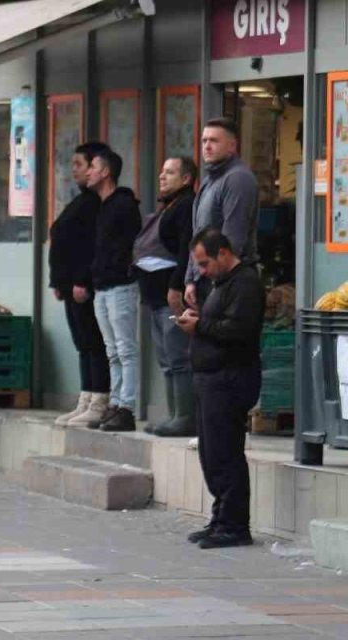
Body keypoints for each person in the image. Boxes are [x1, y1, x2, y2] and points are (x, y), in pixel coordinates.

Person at [175, 228, 264, 549]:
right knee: (211, 453)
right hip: (209, 379)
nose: (202, 271)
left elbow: (237, 329)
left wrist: (200, 325)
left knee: (226, 453)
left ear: (224, 254)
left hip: (229, 379)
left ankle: (235, 525)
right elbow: (218, 324)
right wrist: (198, 320)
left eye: (205, 263)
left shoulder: (245, 283)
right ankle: (221, 518)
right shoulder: (221, 283)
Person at [49, 142, 111, 429]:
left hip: (82, 284)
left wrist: (80, 280)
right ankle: (85, 398)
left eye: (80, 165)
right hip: (68, 284)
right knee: (82, 343)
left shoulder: (95, 204)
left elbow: (90, 247)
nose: (74, 170)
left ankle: (99, 400)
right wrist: (58, 281)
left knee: (93, 341)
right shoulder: (81, 200)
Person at [87, 147, 142, 432]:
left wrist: (121, 268)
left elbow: (131, 244)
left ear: (106, 172)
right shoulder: (102, 206)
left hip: (121, 285)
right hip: (103, 287)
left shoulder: (123, 205)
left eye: (93, 166)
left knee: (125, 348)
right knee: (112, 350)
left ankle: (127, 407)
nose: (88, 172)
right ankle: (116, 402)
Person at [143, 156, 198, 437]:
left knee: (178, 357)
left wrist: (177, 286)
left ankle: (185, 416)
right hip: (155, 295)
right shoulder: (169, 206)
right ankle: (174, 413)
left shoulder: (186, 206)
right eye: (162, 171)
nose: (162, 177)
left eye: (170, 172)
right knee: (166, 359)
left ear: (186, 179)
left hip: (171, 295)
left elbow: (185, 251)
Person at [186, 117, 259, 310]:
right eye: (204, 141)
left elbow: (232, 239)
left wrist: (216, 283)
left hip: (226, 279)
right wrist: (191, 279)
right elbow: (197, 235)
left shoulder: (237, 179)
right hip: (207, 276)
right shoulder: (210, 179)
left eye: (214, 141)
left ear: (232, 145)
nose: (207, 147)